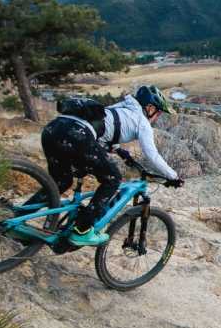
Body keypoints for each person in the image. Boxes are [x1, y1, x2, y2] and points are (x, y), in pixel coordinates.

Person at [39, 85, 183, 246]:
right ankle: (82, 231)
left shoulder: (119, 107)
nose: (156, 117)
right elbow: (153, 157)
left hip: (54, 128)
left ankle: (18, 215)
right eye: (158, 113)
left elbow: (105, 130)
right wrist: (174, 176)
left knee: (61, 182)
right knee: (112, 179)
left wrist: (120, 152)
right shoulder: (142, 122)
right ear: (150, 108)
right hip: (78, 134)